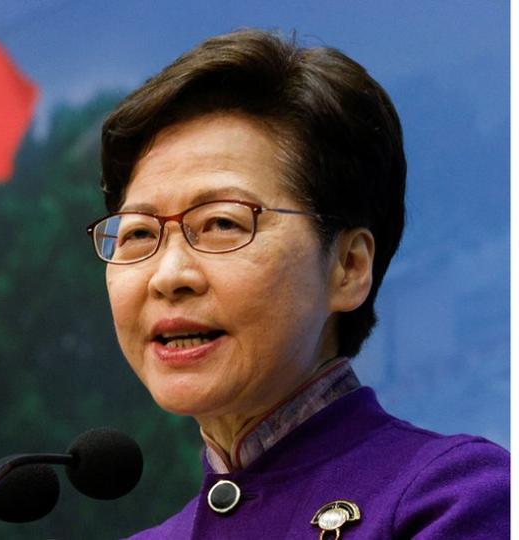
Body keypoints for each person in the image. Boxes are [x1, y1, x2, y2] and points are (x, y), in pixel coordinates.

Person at [87, 29, 508, 539]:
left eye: (222, 223)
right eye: (137, 233)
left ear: (349, 267)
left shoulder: (451, 497)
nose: (169, 276)